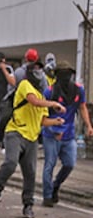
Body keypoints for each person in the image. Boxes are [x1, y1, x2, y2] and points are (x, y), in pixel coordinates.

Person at [0, 60, 66, 218]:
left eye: (40, 69)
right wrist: (53, 104)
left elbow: (42, 120)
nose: (38, 72)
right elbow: (33, 101)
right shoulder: (24, 85)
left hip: (32, 137)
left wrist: (55, 122)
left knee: (30, 173)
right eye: (35, 69)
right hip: (16, 132)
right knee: (10, 162)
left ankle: (28, 205)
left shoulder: (42, 96)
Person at [40, 60, 91, 207]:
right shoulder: (49, 92)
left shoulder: (78, 90)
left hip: (69, 134)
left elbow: (82, 107)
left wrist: (88, 125)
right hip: (51, 134)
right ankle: (47, 196)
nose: (66, 77)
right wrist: (53, 128)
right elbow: (43, 115)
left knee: (70, 163)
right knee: (49, 165)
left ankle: (56, 185)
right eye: (63, 74)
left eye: (68, 74)